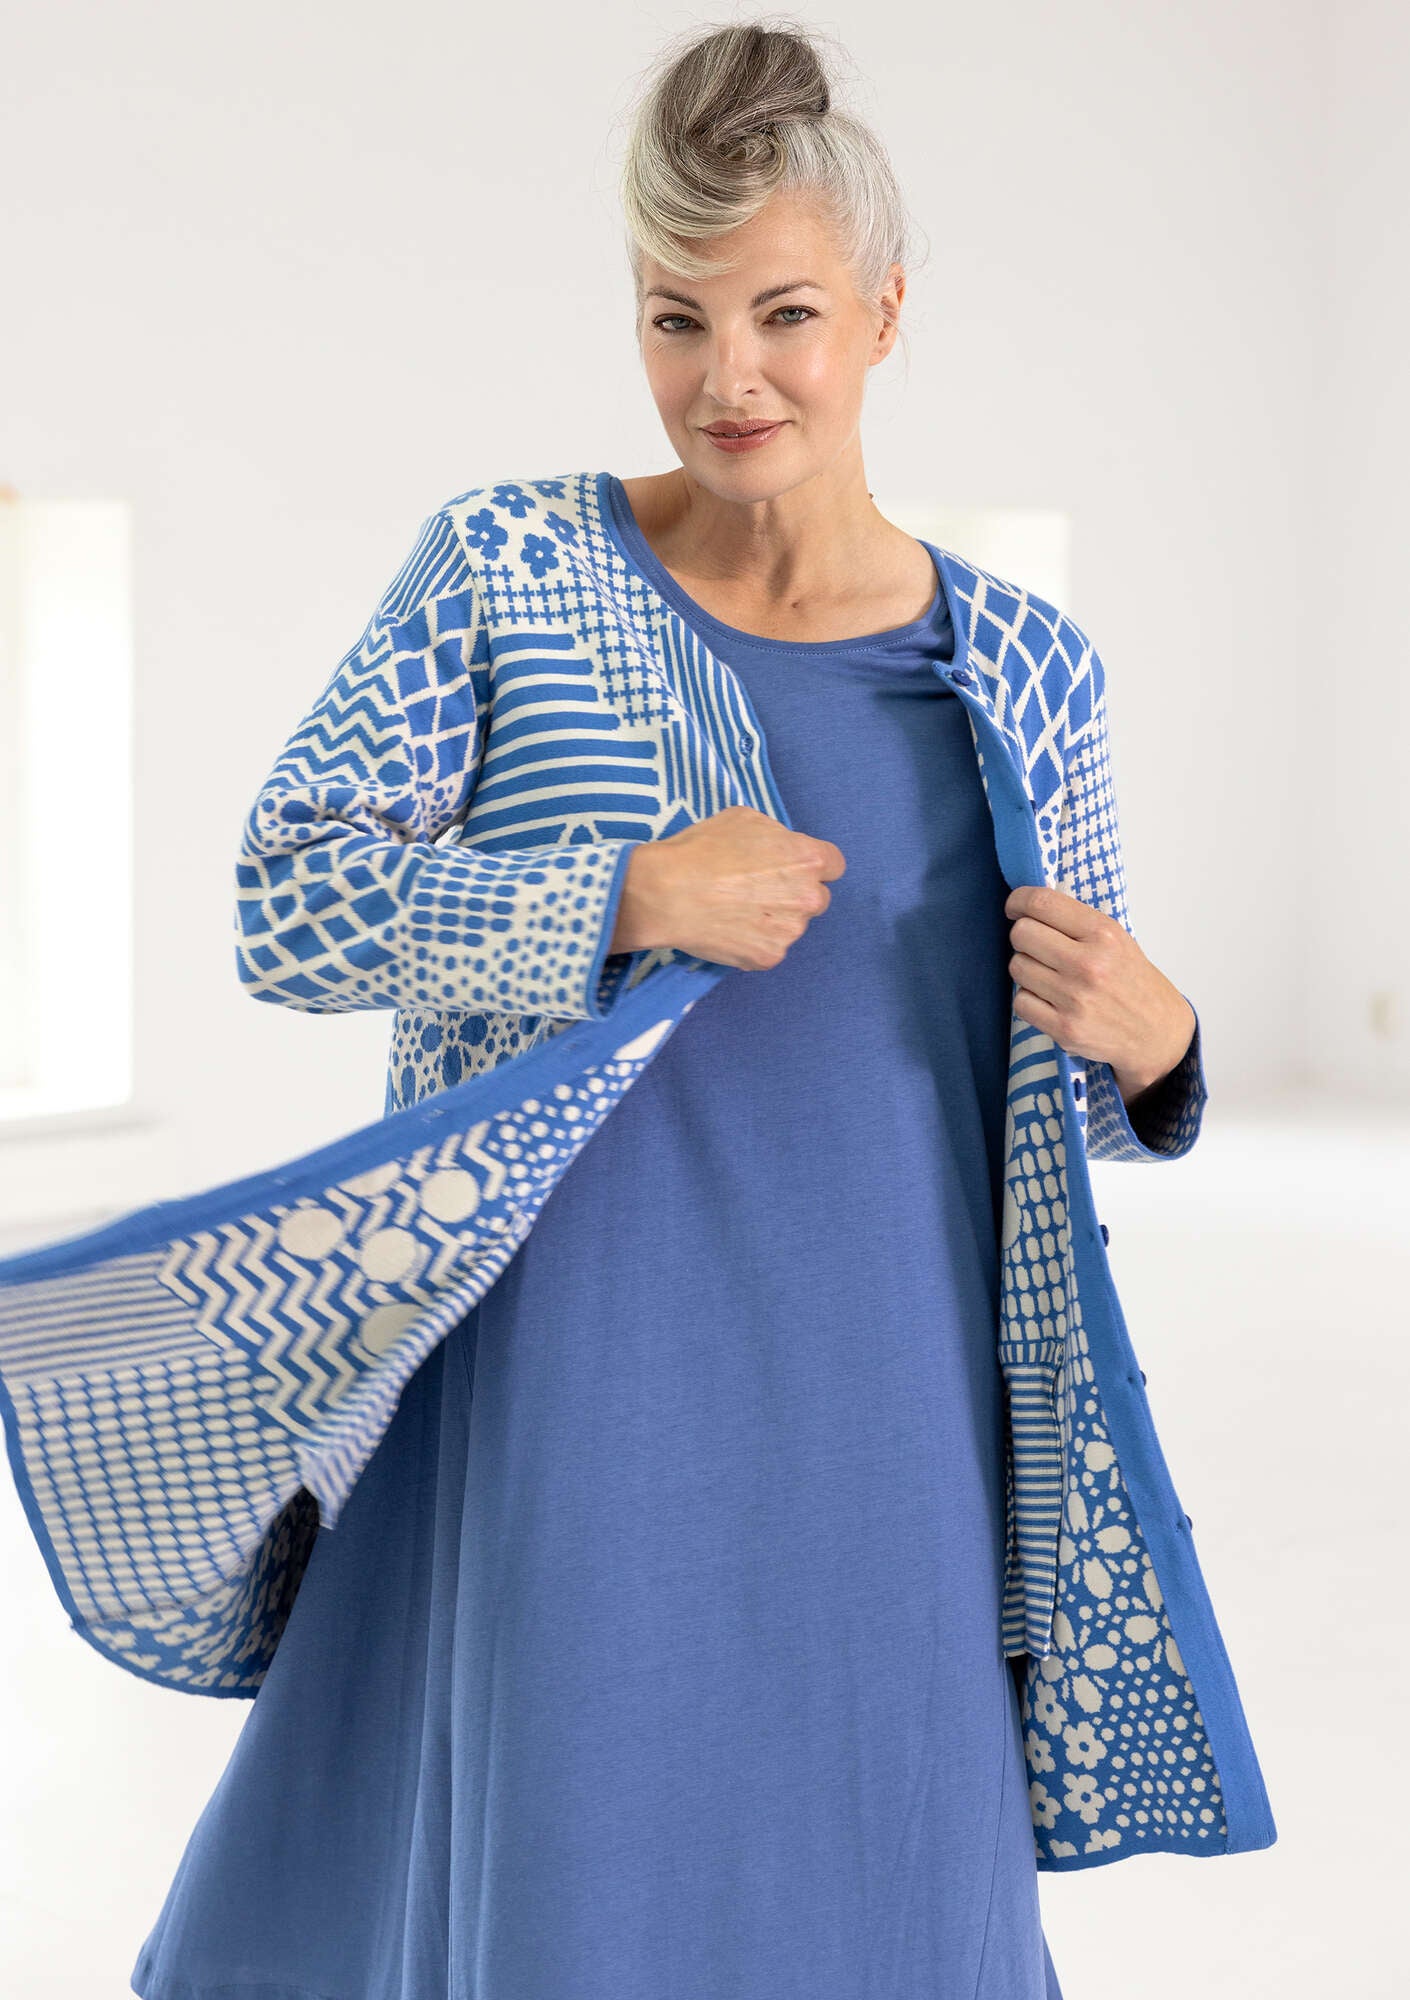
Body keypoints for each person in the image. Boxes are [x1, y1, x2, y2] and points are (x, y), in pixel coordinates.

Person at [124, 20, 1270, 2000]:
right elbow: (281, 907)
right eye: (677, 318)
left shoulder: (1023, 668)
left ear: (885, 313)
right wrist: (622, 894)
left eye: (784, 315)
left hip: (894, 1393)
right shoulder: (509, 568)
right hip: (572, 1372)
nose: (728, 376)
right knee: (581, 1877)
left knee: (884, 1873)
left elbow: (1049, 1113)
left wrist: (1161, 1050)